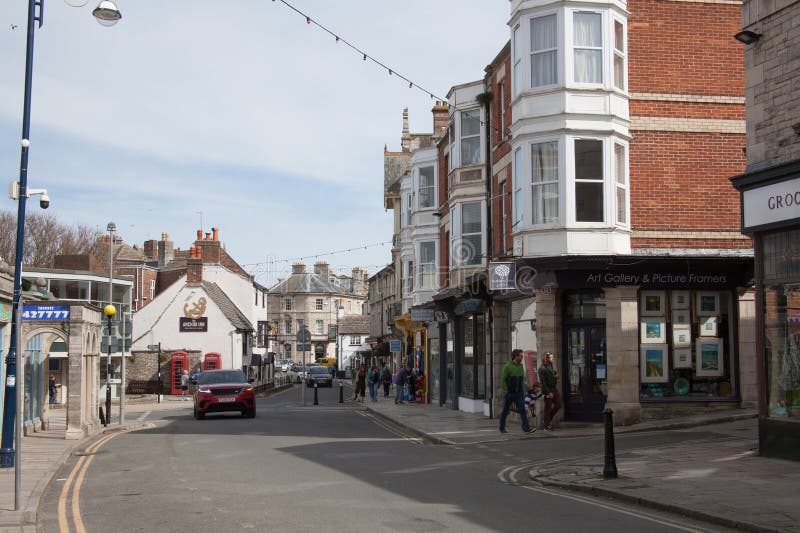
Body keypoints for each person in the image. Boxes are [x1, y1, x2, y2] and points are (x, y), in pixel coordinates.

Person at [499, 349, 533, 434]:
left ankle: (526, 428)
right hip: (510, 393)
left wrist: (524, 392)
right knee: (505, 411)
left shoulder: (521, 366)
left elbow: (522, 380)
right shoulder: (507, 366)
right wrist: (506, 391)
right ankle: (502, 428)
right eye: (521, 356)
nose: (522, 358)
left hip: (519, 394)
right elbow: (503, 380)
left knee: (522, 410)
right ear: (516, 356)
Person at [538, 352, 561, 431]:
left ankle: (547, 420)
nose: (553, 359)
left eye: (553, 357)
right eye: (551, 357)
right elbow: (543, 383)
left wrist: (556, 376)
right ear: (546, 358)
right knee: (548, 407)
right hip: (548, 390)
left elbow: (554, 373)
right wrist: (548, 392)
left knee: (558, 405)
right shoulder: (542, 369)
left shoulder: (550, 365)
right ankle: (546, 425)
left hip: (554, 389)